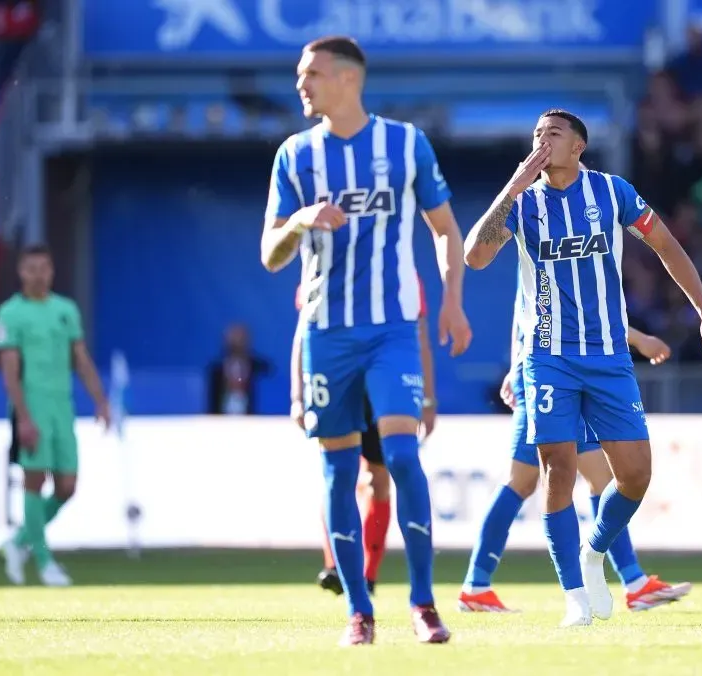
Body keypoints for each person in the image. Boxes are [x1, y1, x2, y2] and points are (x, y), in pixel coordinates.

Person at [463, 109, 702, 627]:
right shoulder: (524, 204)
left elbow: (667, 246)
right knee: (553, 472)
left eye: (553, 134)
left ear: (578, 146)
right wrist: (513, 187)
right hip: (546, 358)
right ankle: (575, 597)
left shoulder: (612, 193)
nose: (542, 141)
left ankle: (595, 551)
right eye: (536, 133)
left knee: (633, 476)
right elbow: (474, 256)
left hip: (607, 357)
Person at [260, 35, 472, 646]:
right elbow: (270, 256)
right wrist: (300, 221)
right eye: (302, 75)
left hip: (392, 330)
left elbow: (444, 229)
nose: (302, 84)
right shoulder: (295, 156)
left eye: (313, 74)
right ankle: (359, 611)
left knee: (402, 457)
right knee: (337, 472)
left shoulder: (405, 145)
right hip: (327, 333)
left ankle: (425, 603)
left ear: (349, 79)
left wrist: (452, 301)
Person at [459, 281, 691, 612]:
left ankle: (634, 582)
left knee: (599, 479)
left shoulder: (541, 249)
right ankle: (476, 585)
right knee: (522, 481)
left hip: (551, 371)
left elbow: (524, 309)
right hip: (547, 375)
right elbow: (578, 316)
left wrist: (513, 364)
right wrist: (640, 340)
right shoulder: (558, 242)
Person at [291, 275, 437, 596]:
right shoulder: (323, 264)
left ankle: (369, 573)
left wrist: (427, 398)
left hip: (382, 384)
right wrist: (298, 395)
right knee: (338, 473)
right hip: (337, 372)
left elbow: (420, 338)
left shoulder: (405, 274)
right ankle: (335, 566)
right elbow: (304, 331)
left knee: (378, 479)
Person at [0, 244, 110, 587]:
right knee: (34, 480)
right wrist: (23, 416)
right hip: (32, 406)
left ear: (52, 271)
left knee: (67, 486)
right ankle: (44, 562)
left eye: (44, 267)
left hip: (63, 407)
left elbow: (81, 359)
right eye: (31, 268)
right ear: (21, 272)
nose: (38, 274)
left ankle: (18, 542)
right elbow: (9, 371)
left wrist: (100, 400)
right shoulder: (10, 314)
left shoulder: (65, 310)